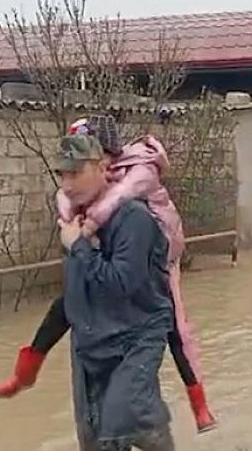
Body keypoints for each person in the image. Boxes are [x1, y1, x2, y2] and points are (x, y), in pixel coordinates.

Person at [0, 116, 216, 434]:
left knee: (174, 325)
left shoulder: (137, 176)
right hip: (104, 266)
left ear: (105, 158)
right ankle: (27, 370)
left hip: (159, 256)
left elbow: (117, 201)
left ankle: (199, 405)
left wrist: (84, 233)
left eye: (81, 164)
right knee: (68, 302)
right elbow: (64, 199)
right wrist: (72, 223)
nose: (70, 179)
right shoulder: (88, 185)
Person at [54, 133, 176, 450]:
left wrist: (79, 247)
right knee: (95, 438)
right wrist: (36, 351)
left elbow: (121, 283)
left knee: (123, 419)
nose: (67, 185)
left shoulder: (132, 219)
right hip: (90, 345)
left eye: (76, 173)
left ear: (103, 167)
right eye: (62, 175)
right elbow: (73, 295)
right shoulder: (76, 222)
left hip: (132, 338)